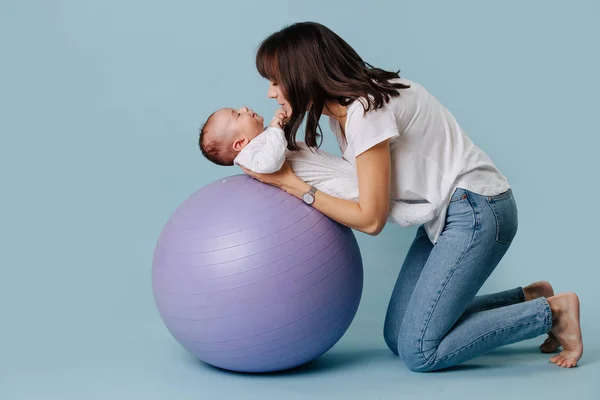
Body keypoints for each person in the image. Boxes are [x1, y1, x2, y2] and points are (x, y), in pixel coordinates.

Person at [240, 21, 583, 371]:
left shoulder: (365, 112)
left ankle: (552, 313)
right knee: (399, 336)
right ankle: (531, 298)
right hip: (447, 213)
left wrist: (292, 184)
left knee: (421, 351)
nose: (271, 93)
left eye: (275, 81)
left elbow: (371, 220)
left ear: (303, 76)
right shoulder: (345, 113)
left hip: (478, 210)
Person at [198, 106, 436, 227]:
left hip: (328, 168)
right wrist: (275, 128)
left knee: (370, 182)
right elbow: (270, 162)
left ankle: (417, 199)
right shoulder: (248, 158)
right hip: (323, 184)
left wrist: (284, 123)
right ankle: (407, 214)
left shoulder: (262, 141)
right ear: (240, 143)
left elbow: (280, 147)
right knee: (359, 194)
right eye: (237, 115)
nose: (244, 108)